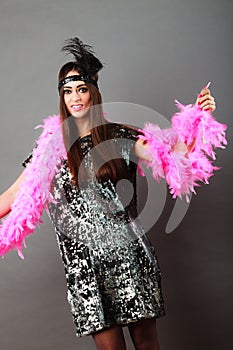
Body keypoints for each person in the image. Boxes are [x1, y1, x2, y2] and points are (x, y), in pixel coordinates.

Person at [0, 38, 225, 350]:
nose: (75, 97)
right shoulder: (50, 148)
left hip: (127, 256)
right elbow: (13, 195)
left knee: (147, 346)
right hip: (83, 269)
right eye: (67, 91)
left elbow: (171, 151)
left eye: (81, 88)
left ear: (93, 91)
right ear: (61, 97)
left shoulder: (116, 136)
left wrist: (199, 119)